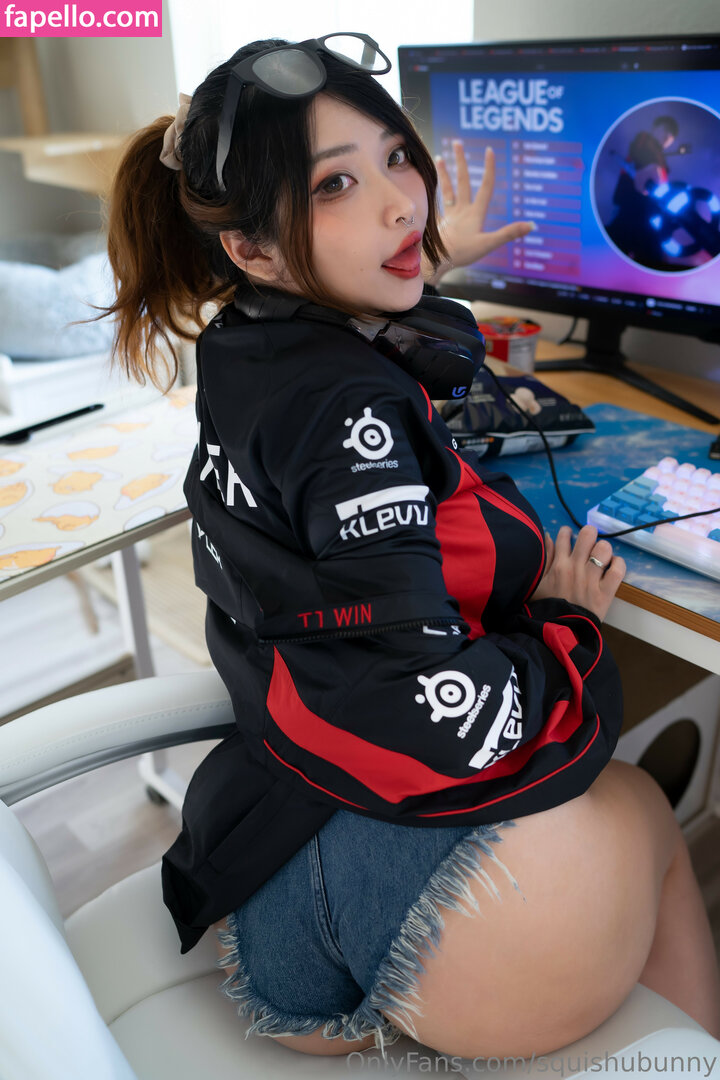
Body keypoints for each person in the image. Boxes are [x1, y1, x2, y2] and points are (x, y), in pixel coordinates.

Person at [101, 34, 720, 1063]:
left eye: (396, 157)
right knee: (645, 805)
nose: (402, 203)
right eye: (336, 184)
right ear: (252, 249)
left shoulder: (246, 344)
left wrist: (422, 261)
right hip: (425, 928)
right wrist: (566, 630)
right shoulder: (354, 420)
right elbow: (426, 708)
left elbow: (332, 379)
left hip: (273, 883)